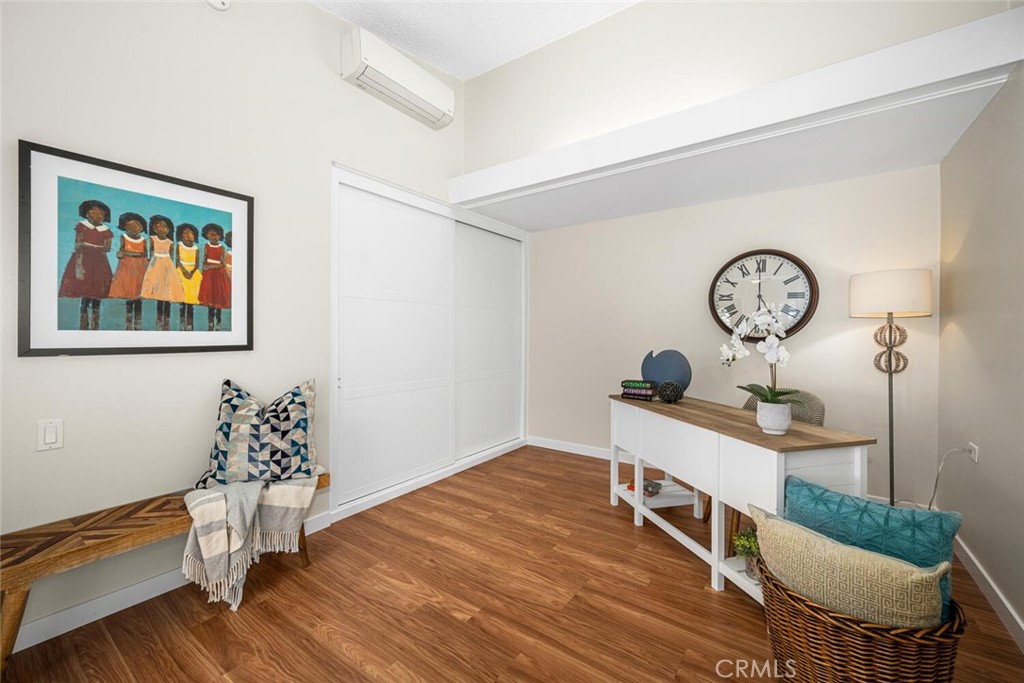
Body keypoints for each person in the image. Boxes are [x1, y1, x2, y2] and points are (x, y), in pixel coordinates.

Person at [58, 199, 114, 330]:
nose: (98, 215)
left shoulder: (106, 230)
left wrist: (91, 246)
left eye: (101, 214)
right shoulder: (82, 226)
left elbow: (107, 248)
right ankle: (84, 326)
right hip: (83, 260)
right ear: (87, 214)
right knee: (85, 293)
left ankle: (95, 325)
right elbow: (77, 244)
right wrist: (86, 251)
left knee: (97, 294)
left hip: (100, 263)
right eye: (94, 212)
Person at [139, 215, 185, 330]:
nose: (161, 229)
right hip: (156, 266)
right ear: (154, 228)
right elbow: (150, 254)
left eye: (164, 227)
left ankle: (167, 323)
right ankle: (159, 322)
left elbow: (172, 257)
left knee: (167, 292)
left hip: (167, 267)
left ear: (169, 229)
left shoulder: (170, 242)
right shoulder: (152, 239)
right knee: (158, 292)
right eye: (158, 226)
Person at [107, 212, 149, 330]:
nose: (134, 228)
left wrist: (129, 254)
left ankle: (138, 322)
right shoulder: (124, 237)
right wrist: (121, 254)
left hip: (140, 268)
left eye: (137, 225)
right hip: (127, 268)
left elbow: (144, 254)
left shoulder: (143, 240)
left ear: (141, 227)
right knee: (129, 294)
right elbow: (121, 251)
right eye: (130, 226)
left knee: (138, 294)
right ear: (124, 227)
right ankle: (129, 321)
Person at [197, 223, 231, 331]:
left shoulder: (222, 248)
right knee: (210, 298)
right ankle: (210, 323)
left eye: (216, 235)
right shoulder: (206, 246)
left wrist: (210, 266)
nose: (214, 237)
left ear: (220, 236)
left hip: (219, 274)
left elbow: (222, 263)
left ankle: (219, 322)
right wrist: (204, 269)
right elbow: (204, 261)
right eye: (211, 235)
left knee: (218, 298)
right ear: (206, 235)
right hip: (209, 276)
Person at [175, 223, 202, 331]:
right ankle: (182, 323)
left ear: (194, 235)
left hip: (193, 274)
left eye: (191, 233)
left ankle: (190, 325)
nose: (188, 235)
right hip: (181, 271)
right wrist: (184, 271)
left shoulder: (196, 248)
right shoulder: (179, 245)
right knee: (182, 300)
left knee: (191, 301)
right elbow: (177, 261)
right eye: (185, 233)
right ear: (181, 235)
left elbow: (196, 264)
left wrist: (191, 272)